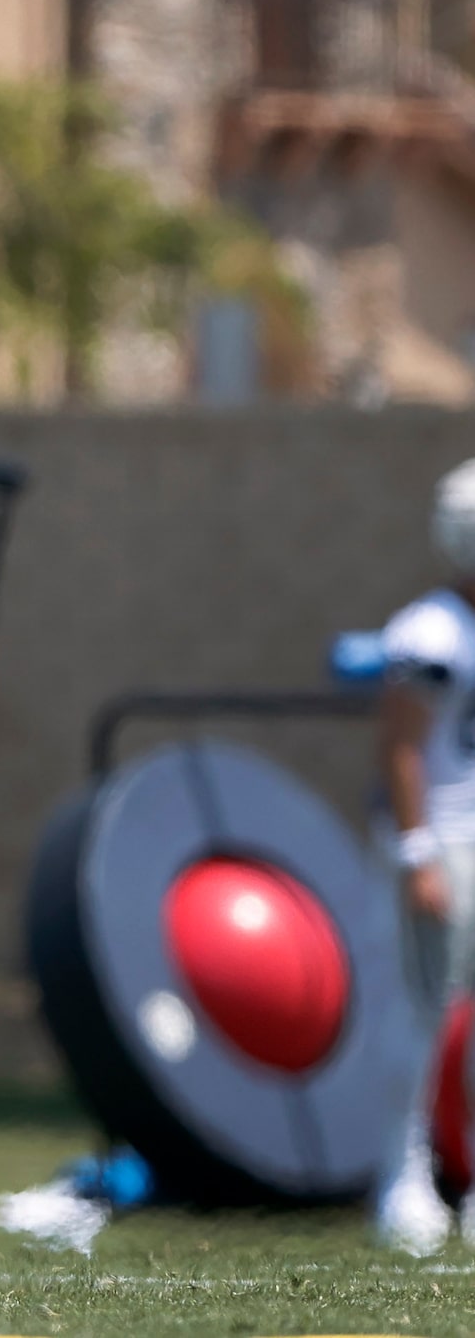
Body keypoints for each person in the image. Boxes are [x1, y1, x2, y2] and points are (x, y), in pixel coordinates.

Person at [369, 460, 475, 1254]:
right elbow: (400, 748)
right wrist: (416, 854)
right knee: (424, 1014)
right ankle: (402, 1174)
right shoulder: (430, 631)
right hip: (442, 837)